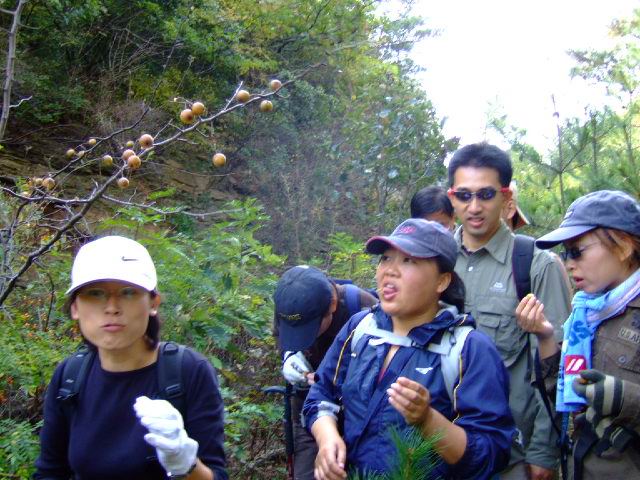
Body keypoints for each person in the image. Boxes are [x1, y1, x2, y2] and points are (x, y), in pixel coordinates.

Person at [303, 218, 514, 479]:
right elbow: (321, 394)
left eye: (409, 261)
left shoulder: (468, 349)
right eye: (386, 259)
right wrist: (327, 438)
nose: (390, 271)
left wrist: (427, 420)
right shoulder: (361, 329)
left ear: (442, 281)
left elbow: (490, 453)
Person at [33, 236, 227, 480]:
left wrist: (185, 465)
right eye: (95, 293)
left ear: (153, 303)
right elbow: (50, 472)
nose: (112, 307)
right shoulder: (69, 377)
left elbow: (216, 474)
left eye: (128, 292)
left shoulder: (189, 371)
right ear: (75, 308)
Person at [447, 142, 572, 480]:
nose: (474, 207)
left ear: (506, 197)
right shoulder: (436, 261)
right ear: (451, 198)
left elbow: (558, 366)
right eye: (464, 195)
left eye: (486, 194)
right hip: (440, 448)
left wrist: (543, 451)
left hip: (510, 456)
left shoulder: (535, 266)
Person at [516, 190, 640, 479]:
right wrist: (546, 337)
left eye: (577, 251)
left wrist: (624, 398)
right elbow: (568, 396)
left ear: (623, 246)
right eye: (565, 253)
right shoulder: (587, 311)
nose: (569, 263)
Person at [273, 265, 377, 480]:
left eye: (310, 329)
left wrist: (334, 380)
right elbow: (280, 336)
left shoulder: (363, 309)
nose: (307, 339)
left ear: (332, 305)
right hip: (308, 408)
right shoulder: (288, 302)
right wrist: (288, 356)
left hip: (356, 412)